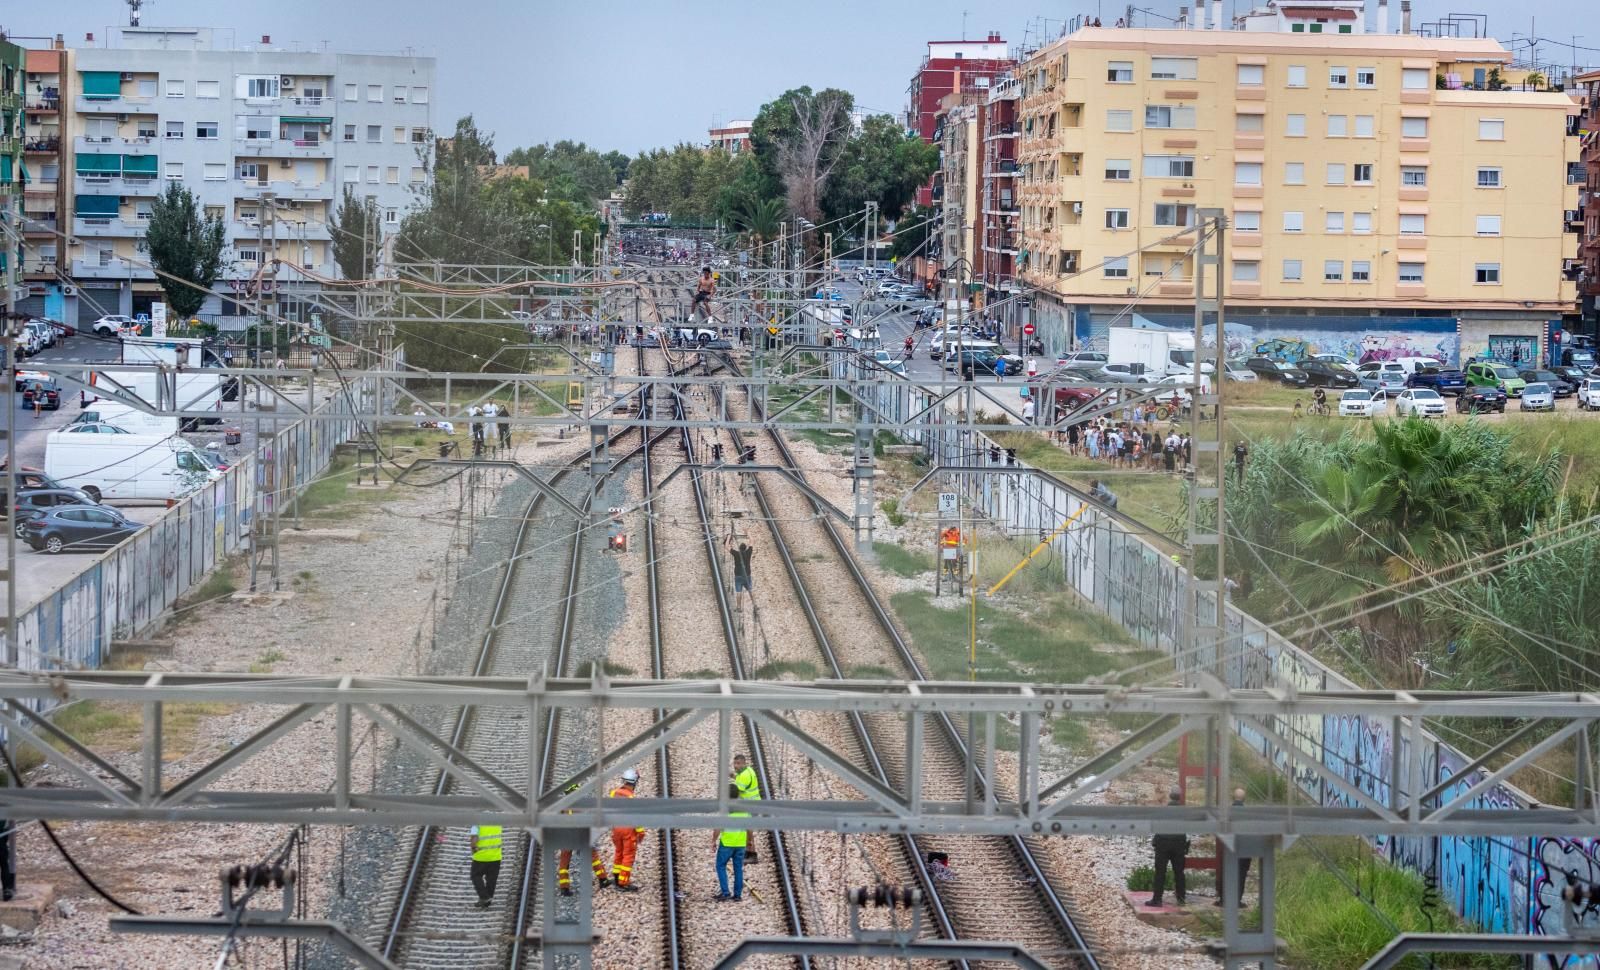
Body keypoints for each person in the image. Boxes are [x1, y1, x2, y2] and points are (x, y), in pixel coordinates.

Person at [1147, 788, 1189, 907]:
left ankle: (1157, 899)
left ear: (1170, 796)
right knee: (1179, 873)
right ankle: (1181, 899)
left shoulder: (1163, 810)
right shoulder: (1184, 812)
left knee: (1160, 872)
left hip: (1163, 843)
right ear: (1179, 797)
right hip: (1179, 844)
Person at [607, 768, 645, 892]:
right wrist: (640, 831)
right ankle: (623, 883)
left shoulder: (613, 793)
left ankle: (616, 877)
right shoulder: (631, 797)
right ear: (634, 782)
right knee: (628, 856)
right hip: (627, 830)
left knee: (619, 852)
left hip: (616, 828)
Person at [712, 783, 750, 902]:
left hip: (727, 843)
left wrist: (713, 840)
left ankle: (725, 892)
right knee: (738, 869)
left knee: (720, 866)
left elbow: (718, 828)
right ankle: (737, 895)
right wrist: (749, 841)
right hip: (740, 844)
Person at [1215, 788, 1250, 907]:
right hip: (1244, 848)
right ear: (1244, 799)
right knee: (1241, 874)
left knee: (1226, 871)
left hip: (1229, 845)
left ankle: (1223, 899)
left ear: (1233, 797)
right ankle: (1237, 900)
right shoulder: (1249, 814)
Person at [469, 821, 503, 908]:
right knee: (491, 879)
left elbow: (475, 838)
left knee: (475, 876)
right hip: (495, 857)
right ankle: (487, 900)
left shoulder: (477, 822)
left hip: (481, 857)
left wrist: (473, 847)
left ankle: (484, 897)